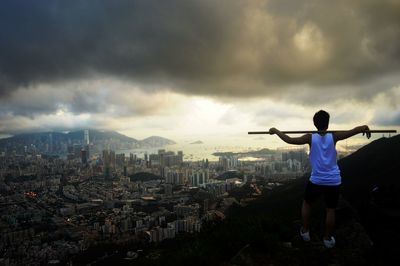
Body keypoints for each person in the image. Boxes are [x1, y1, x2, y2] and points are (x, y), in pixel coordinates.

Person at [269, 110, 370, 248]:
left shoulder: (310, 138)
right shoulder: (334, 136)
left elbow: (289, 140)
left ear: (314, 123)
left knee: (307, 203)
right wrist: (364, 127)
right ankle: (327, 239)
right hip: (333, 180)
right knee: (330, 209)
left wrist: (275, 130)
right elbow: (353, 131)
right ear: (327, 124)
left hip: (316, 180)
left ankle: (305, 231)